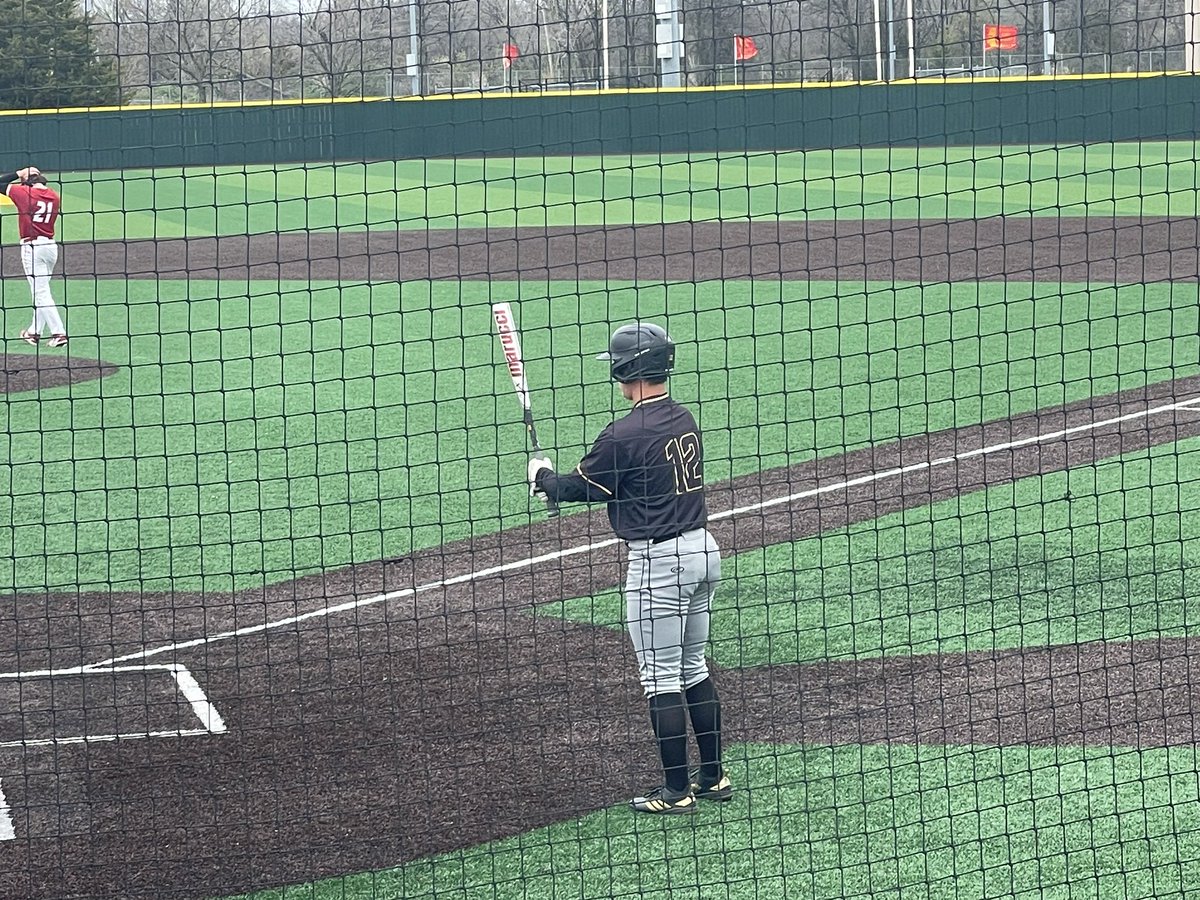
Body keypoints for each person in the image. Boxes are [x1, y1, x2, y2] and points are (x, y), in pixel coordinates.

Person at [529, 322, 730, 815]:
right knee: (693, 667)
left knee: (660, 679)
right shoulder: (684, 418)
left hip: (659, 563)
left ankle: (676, 791)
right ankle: (713, 776)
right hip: (704, 551)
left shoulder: (622, 434)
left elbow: (578, 488)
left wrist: (542, 477)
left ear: (626, 369)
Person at [0, 166, 66, 348]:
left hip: (32, 247)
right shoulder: (54, 196)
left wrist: (18, 173)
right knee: (42, 290)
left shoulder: (23, 192)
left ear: (26, 182)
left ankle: (59, 333)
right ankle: (34, 332)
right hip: (50, 248)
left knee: (41, 293)